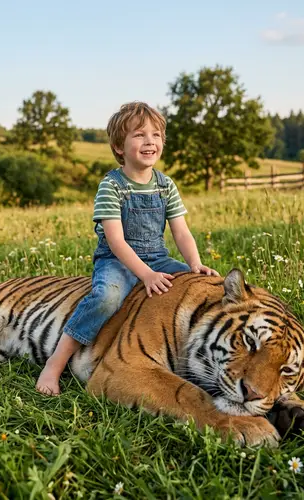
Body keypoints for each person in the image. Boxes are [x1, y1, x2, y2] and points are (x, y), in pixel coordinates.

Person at [36, 101, 219, 395]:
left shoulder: (165, 185)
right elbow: (116, 241)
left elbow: (181, 232)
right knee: (107, 298)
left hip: (157, 257)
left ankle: (191, 359)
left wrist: (195, 265)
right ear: (119, 146)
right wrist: (146, 275)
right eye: (139, 135)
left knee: (197, 285)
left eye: (156, 135)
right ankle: (55, 364)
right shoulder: (111, 186)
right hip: (116, 260)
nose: (150, 141)